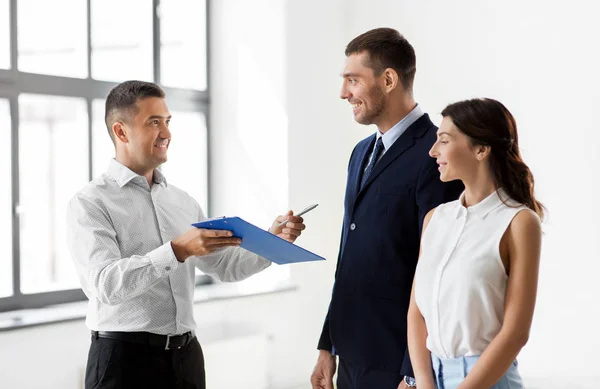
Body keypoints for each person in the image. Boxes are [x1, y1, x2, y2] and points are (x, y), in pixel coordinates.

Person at [66, 80, 306, 389]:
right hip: (124, 362)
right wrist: (177, 249)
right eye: (154, 122)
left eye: (167, 121)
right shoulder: (90, 203)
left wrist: (272, 242)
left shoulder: (182, 201)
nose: (166, 133)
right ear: (121, 132)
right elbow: (105, 286)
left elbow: (224, 267)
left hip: (186, 359)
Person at [310, 28, 463, 389]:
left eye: (353, 80)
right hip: (349, 351)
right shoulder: (360, 154)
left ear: (389, 79)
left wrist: (414, 370)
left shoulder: (437, 153)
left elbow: (438, 272)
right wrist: (326, 344)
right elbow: (348, 257)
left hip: (397, 360)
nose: (343, 93)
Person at [407, 98, 543, 389]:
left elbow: (516, 333)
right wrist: (425, 383)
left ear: (481, 149)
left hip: (488, 380)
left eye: (444, 141)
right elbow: (416, 313)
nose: (433, 152)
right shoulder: (435, 219)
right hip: (432, 377)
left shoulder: (519, 222)